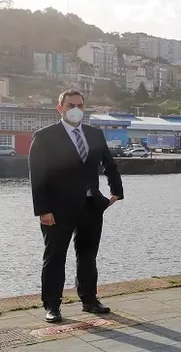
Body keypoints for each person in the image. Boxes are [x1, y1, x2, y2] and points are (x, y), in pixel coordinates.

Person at [28, 90, 124, 323]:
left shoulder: (94, 134)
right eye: (71, 105)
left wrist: (115, 193)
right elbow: (37, 175)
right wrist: (42, 209)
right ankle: (52, 305)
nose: (76, 109)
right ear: (60, 108)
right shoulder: (44, 136)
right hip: (57, 209)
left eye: (80, 105)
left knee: (88, 255)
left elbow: (109, 165)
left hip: (91, 205)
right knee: (55, 256)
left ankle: (89, 300)